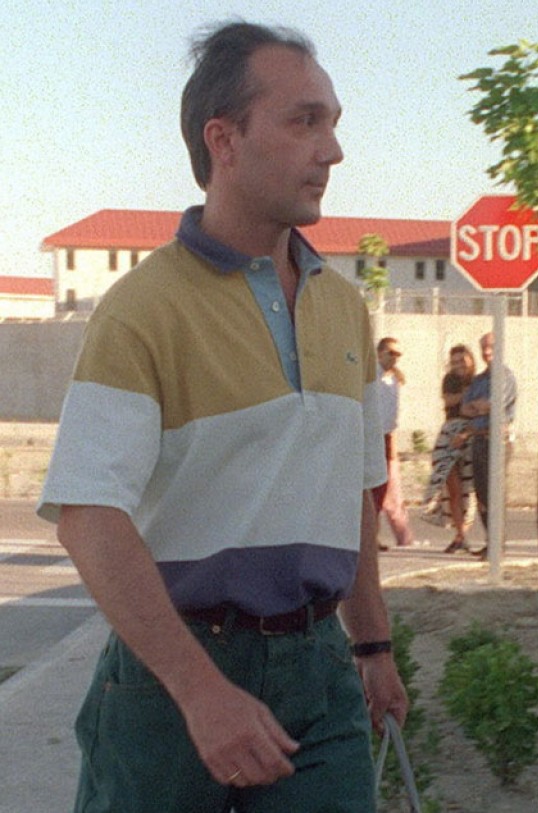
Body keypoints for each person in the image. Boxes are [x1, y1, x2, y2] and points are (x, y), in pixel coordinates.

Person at [36, 21, 406, 813]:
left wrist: (373, 646)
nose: (332, 150)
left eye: (333, 122)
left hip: (319, 672)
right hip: (168, 682)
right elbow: (88, 516)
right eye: (305, 120)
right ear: (224, 139)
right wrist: (202, 693)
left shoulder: (346, 308)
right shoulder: (142, 309)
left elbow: (356, 495)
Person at [460, 332, 518, 557]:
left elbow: (491, 406)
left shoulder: (505, 377)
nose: (486, 352)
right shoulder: (479, 380)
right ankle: (490, 541)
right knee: (482, 496)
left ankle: (498, 546)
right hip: (479, 440)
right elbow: (465, 408)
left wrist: (480, 407)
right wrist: (479, 406)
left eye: (491, 347)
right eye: (483, 347)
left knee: (495, 495)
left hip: (498, 442)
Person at [421, 344, 476, 552]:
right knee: (451, 485)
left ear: (470, 359)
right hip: (451, 434)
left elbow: (473, 408)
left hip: (470, 433)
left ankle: (463, 534)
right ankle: (460, 534)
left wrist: (468, 400)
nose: (459, 365)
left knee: (468, 489)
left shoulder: (478, 380)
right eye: (454, 362)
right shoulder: (450, 380)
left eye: (462, 360)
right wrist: (467, 396)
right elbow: (451, 400)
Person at [373, 336, 414, 549]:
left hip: (387, 437)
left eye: (397, 354)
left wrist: (393, 446)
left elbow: (392, 416)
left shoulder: (394, 380)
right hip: (372, 436)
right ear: (380, 353)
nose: (394, 358)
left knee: (386, 488)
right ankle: (372, 536)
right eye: (391, 353)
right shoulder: (372, 377)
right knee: (374, 489)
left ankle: (393, 537)